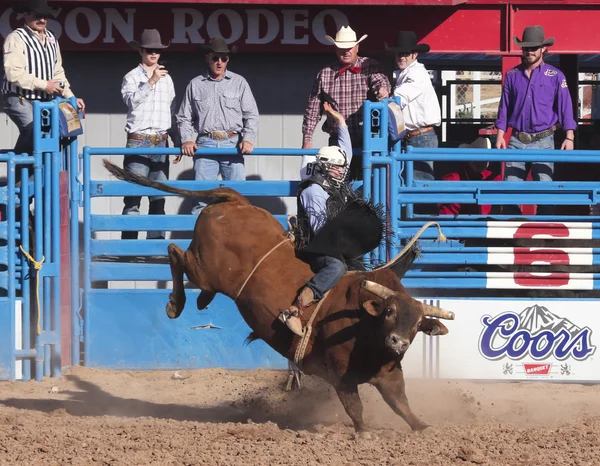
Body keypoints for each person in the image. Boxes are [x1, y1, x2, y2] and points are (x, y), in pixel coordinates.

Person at [282, 102, 385, 336]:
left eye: (342, 168)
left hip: (334, 242)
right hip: (315, 247)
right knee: (336, 266)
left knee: (361, 272)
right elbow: (320, 230)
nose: (342, 171)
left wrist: (340, 123)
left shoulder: (330, 181)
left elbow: (344, 152)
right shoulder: (313, 191)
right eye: (338, 168)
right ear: (326, 167)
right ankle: (299, 305)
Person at [495, 25, 577, 216]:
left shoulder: (556, 76)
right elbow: (504, 106)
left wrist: (569, 136)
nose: (529, 51)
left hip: (544, 140)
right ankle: (513, 237)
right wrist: (500, 134)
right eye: (526, 48)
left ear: (543, 49)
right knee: (510, 192)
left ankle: (544, 237)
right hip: (516, 140)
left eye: (533, 47)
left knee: (545, 194)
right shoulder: (512, 75)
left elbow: (566, 107)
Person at [176, 37, 259, 215]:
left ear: (228, 59)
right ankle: (201, 243)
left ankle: (236, 243)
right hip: (205, 145)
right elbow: (183, 117)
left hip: (233, 145)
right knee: (201, 202)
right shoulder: (195, 84)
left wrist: (248, 139)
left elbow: (251, 115)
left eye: (224, 58)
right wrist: (187, 140)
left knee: (238, 201)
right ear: (208, 57)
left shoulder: (239, 83)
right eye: (215, 58)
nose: (219, 62)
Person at [301, 25, 391, 179]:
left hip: (365, 140)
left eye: (349, 47)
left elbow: (380, 82)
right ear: (335, 49)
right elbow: (313, 108)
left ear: (357, 47)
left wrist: (382, 90)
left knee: (366, 184)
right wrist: (307, 139)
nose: (346, 51)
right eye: (342, 47)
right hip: (337, 141)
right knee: (336, 183)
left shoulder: (369, 65)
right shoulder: (325, 74)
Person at [2, 0, 85, 158]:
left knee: (53, 132)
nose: (42, 20)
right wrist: (43, 85)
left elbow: (58, 72)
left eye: (45, 16)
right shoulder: (16, 38)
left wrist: (71, 97)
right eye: (37, 16)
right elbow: (13, 73)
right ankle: (20, 177)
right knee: (34, 129)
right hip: (19, 98)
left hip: (45, 100)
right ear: (25, 15)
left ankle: (42, 177)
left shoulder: (51, 38)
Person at [120, 29, 178, 240]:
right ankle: (129, 251)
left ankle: (154, 249)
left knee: (158, 199)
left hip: (161, 142)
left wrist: (176, 140)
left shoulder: (168, 79)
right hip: (138, 141)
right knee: (133, 200)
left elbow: (171, 112)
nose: (154, 54)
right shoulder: (131, 77)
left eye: (157, 50)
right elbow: (131, 101)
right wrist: (151, 81)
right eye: (149, 50)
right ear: (141, 51)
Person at [386, 31, 441, 181]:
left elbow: (399, 99)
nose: (401, 57)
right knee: (414, 185)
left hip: (420, 137)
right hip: (416, 136)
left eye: (405, 53)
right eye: (398, 54)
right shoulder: (407, 73)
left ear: (414, 54)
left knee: (419, 186)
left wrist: (384, 101)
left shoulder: (416, 73)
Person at [438, 137, 501, 216]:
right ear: (468, 159)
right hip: (451, 224)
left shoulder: (492, 178)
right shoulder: (452, 179)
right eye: (476, 158)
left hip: (481, 224)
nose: (480, 162)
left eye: (484, 159)